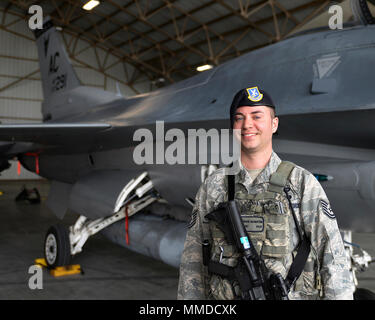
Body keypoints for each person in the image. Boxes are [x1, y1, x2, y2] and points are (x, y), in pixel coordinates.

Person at [177, 86, 353, 300]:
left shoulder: (301, 183)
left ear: (274, 124)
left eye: (256, 116)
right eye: (239, 118)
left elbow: (332, 258)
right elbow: (193, 261)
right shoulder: (215, 186)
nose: (247, 124)